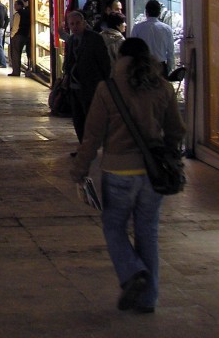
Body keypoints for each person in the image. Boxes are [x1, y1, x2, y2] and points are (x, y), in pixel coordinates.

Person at [71, 38, 186, 314]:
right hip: (153, 173)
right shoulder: (163, 87)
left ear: (119, 58)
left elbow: (92, 135)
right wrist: (167, 155)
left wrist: (80, 168)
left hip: (118, 171)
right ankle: (148, 299)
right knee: (148, 232)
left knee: (114, 226)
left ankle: (132, 271)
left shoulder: (108, 89)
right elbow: (176, 130)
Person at [62, 10, 112, 143]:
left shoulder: (94, 39)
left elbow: (104, 62)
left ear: (84, 23)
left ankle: (91, 145)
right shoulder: (71, 40)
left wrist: (104, 83)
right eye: (72, 24)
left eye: (77, 23)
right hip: (75, 86)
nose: (75, 26)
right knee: (78, 118)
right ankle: (83, 145)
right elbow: (69, 61)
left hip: (91, 85)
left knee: (90, 117)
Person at [131, 0, 176, 76]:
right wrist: (169, 69)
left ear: (146, 12)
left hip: (143, 67)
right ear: (159, 13)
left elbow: (132, 50)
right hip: (160, 67)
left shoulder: (137, 28)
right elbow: (170, 52)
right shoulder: (167, 29)